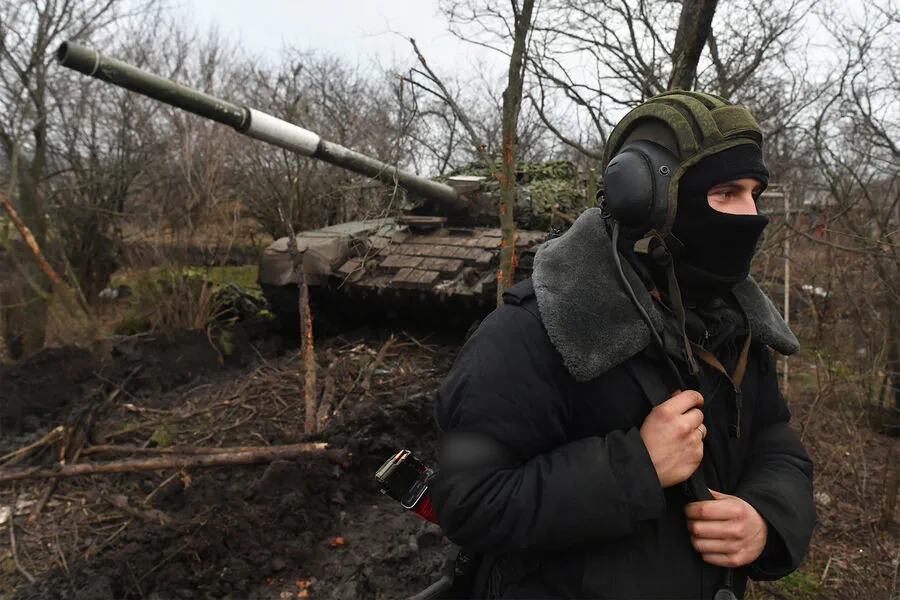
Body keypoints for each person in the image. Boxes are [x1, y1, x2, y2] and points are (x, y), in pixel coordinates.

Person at [429, 91, 816, 599]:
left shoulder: (731, 323)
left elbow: (774, 443)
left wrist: (767, 517)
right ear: (645, 198)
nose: (749, 215)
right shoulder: (535, 330)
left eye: (754, 194)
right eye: (726, 193)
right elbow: (469, 500)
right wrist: (634, 466)